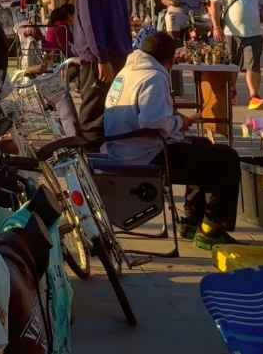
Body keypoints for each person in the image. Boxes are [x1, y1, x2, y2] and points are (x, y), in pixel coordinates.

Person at [102, 31, 241, 249]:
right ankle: (212, 228)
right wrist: (180, 124)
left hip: (121, 147)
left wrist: (176, 122)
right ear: (168, 59)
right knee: (227, 159)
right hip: (144, 155)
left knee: (202, 147)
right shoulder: (153, 77)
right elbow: (152, 121)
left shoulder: (127, 72)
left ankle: (192, 221)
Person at [73, 0, 135, 138]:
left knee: (116, 105)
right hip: (98, 56)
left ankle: (110, 153)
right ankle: (89, 158)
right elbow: (89, 17)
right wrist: (101, 57)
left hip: (120, 51)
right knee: (94, 110)